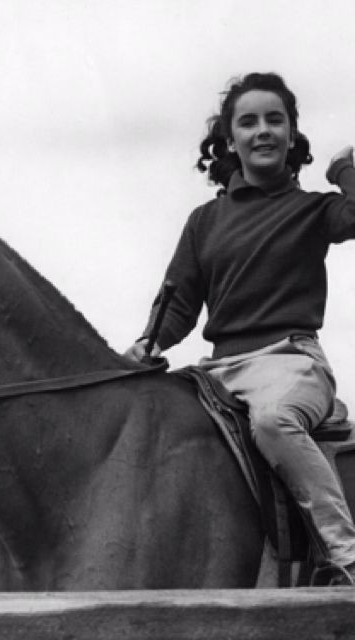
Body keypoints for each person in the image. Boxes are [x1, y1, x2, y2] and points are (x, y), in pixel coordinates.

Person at [124, 72, 355, 585]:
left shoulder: (313, 210)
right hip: (217, 373)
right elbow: (179, 304)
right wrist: (147, 344)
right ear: (230, 140)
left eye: (276, 119)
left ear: (292, 135)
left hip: (291, 363)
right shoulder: (204, 221)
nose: (262, 130)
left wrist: (344, 173)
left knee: (273, 422)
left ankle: (347, 558)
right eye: (247, 122)